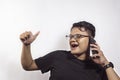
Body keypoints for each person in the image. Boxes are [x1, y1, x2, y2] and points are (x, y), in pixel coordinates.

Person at [20, 21, 120, 80]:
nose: (72, 39)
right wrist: (27, 45)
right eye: (71, 36)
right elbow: (28, 66)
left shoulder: (100, 66)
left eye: (78, 36)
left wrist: (106, 63)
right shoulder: (57, 56)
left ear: (91, 40)